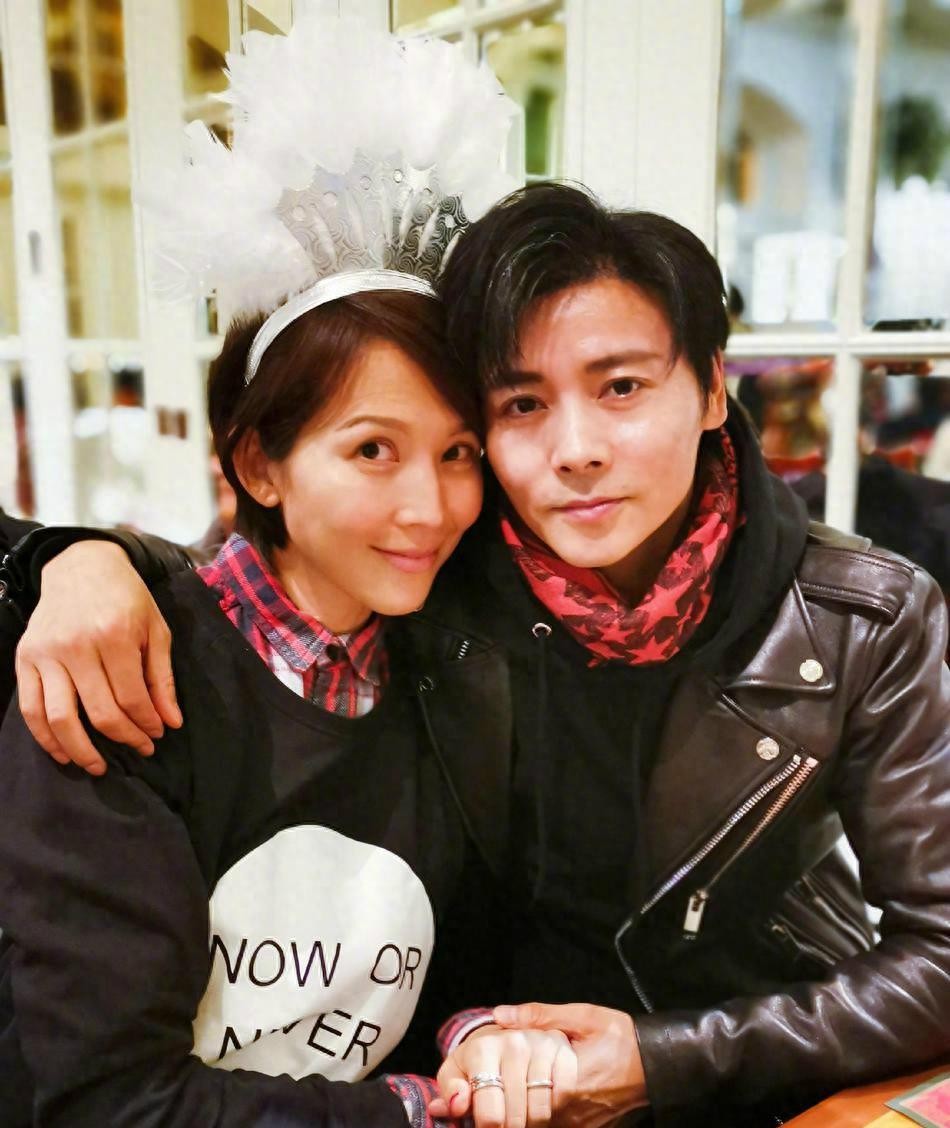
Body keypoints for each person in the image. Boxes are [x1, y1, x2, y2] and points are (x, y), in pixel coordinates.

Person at [11, 183, 950, 1127]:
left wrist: (656, 1062)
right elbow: (269, 575)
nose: (576, 450)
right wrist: (81, 557)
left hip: (769, 1080)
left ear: (711, 388)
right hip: (504, 1089)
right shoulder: (445, 584)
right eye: (523, 403)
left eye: (621, 387)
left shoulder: (859, 618)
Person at [0, 16, 583, 1128]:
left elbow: (462, 965)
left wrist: (483, 1039)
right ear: (259, 462)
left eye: (458, 452)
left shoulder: (453, 675)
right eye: (372, 450)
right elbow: (113, 1103)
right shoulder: (124, 679)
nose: (429, 507)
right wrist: (418, 1111)